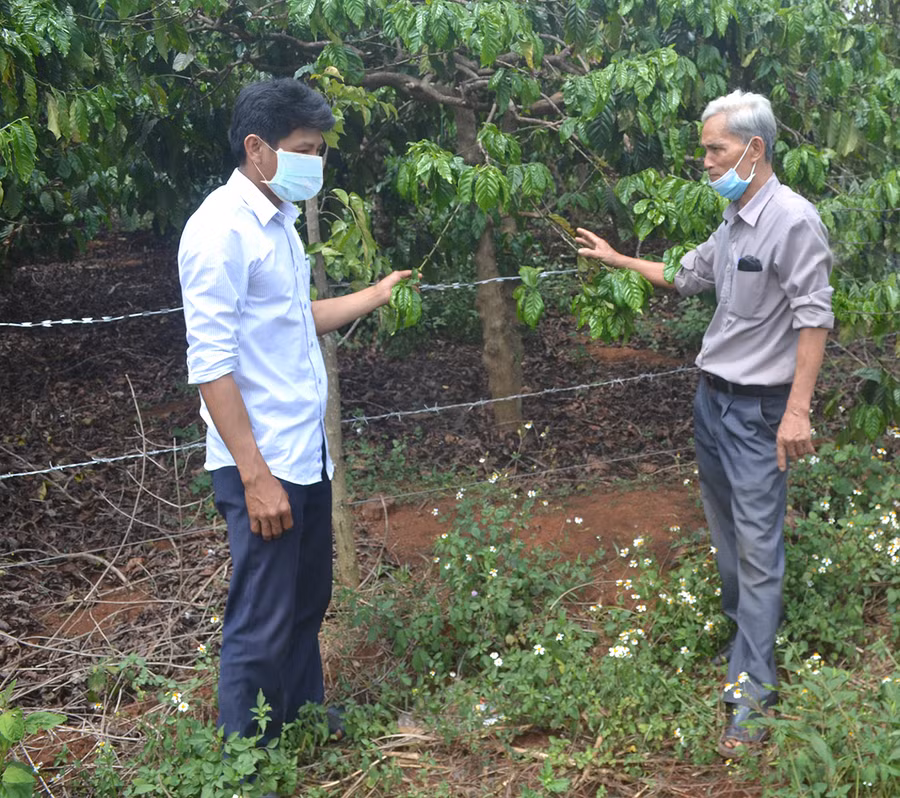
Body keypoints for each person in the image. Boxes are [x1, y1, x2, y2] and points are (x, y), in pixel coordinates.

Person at [574, 90, 834, 757]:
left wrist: (798, 411)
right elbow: (687, 277)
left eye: (714, 149)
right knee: (727, 542)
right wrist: (616, 259)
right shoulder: (734, 215)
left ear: (754, 149)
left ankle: (751, 695)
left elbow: (814, 316)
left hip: (758, 412)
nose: (706, 161)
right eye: (704, 150)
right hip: (711, 404)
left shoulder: (793, 221)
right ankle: (744, 646)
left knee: (756, 547)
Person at [177, 78, 411, 755]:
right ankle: (244, 758)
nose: (317, 163)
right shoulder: (218, 230)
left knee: (305, 606)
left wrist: (375, 294)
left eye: (321, 151)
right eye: (305, 149)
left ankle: (301, 719)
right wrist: (255, 477)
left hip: (304, 454)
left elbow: (292, 318)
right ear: (257, 148)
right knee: (261, 618)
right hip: (264, 464)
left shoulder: (275, 222)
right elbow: (211, 364)